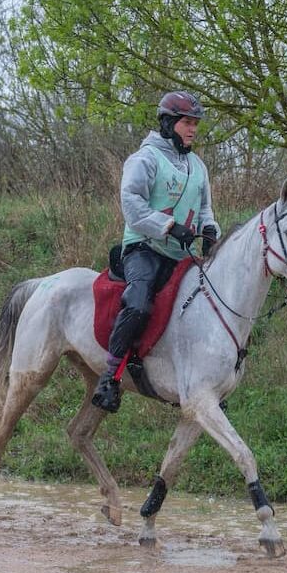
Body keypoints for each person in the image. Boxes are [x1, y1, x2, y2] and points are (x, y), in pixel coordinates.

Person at [91, 90, 220, 412]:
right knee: (138, 301)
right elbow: (132, 205)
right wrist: (167, 226)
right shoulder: (145, 159)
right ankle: (111, 375)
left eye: (195, 124)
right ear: (168, 123)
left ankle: (196, 380)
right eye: (186, 123)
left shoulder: (197, 165)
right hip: (144, 247)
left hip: (180, 254)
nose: (192, 129)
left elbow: (205, 208)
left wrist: (209, 230)